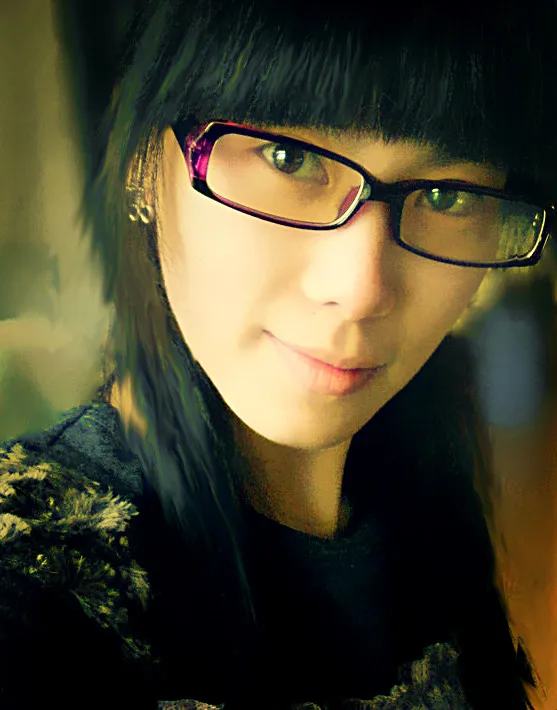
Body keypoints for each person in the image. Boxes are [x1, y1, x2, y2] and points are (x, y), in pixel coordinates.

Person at [0, 0, 555, 707]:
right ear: (142, 159)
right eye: (289, 158)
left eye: (447, 196)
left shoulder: (429, 524)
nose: (359, 291)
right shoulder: (37, 583)